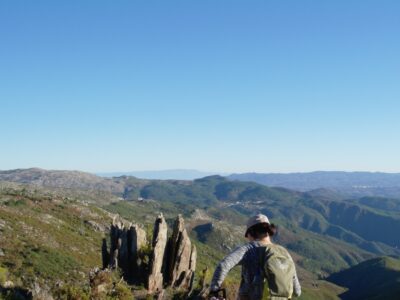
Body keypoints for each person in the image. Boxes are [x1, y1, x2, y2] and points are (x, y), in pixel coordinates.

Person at [209, 214, 301, 300]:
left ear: (251, 233)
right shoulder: (284, 253)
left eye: (247, 234)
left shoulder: (249, 249)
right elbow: (297, 291)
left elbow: (224, 265)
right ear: (268, 232)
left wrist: (214, 290)